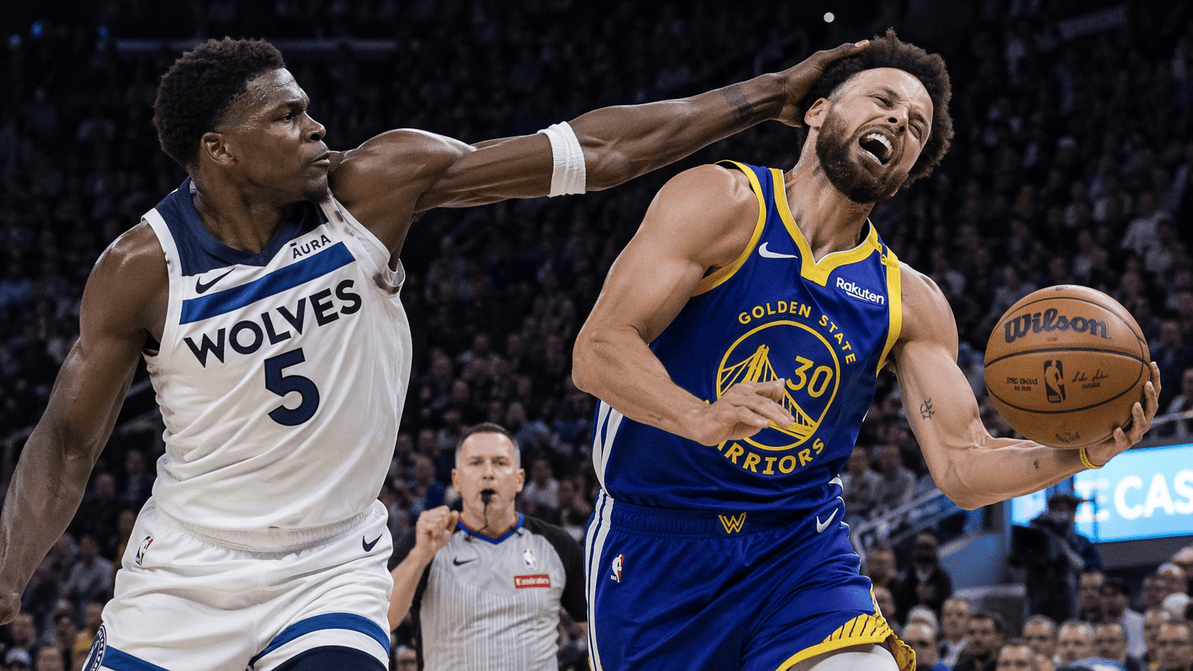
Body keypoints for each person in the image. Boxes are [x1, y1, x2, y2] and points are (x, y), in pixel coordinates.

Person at [0, 35, 873, 671]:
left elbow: (594, 152)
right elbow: (66, 443)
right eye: (289, 116)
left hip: (330, 562)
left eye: (308, 107)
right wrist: (7, 571)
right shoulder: (140, 268)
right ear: (219, 150)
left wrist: (765, 95)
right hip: (187, 567)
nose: (317, 126)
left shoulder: (371, 185)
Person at [570, 28, 1161, 671]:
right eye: (882, 99)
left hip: (797, 552)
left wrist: (1077, 452)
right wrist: (698, 416)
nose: (898, 122)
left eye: (915, 126)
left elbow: (964, 465)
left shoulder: (909, 299)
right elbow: (598, 350)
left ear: (906, 176)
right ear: (819, 109)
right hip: (658, 544)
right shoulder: (723, 202)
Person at [387, 423, 587, 671]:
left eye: (500, 463)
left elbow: (600, 630)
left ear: (519, 479)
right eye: (476, 463)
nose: (488, 473)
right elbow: (385, 618)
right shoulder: (425, 540)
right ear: (456, 480)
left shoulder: (555, 544)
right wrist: (420, 556)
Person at [890, 532, 954, 621]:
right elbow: (900, 609)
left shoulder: (943, 579)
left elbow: (947, 607)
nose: (923, 552)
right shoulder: (904, 581)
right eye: (919, 548)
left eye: (927, 548)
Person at [1100, 578, 1146, 658]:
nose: (1109, 599)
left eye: (1114, 594)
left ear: (1126, 597)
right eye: (1105, 595)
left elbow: (1142, 650)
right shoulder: (1097, 625)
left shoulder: (1141, 621)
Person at [942, 596, 973, 668]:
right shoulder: (936, 649)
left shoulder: (975, 651)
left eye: (960, 615)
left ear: (969, 620)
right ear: (942, 619)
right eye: (948, 614)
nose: (953, 620)